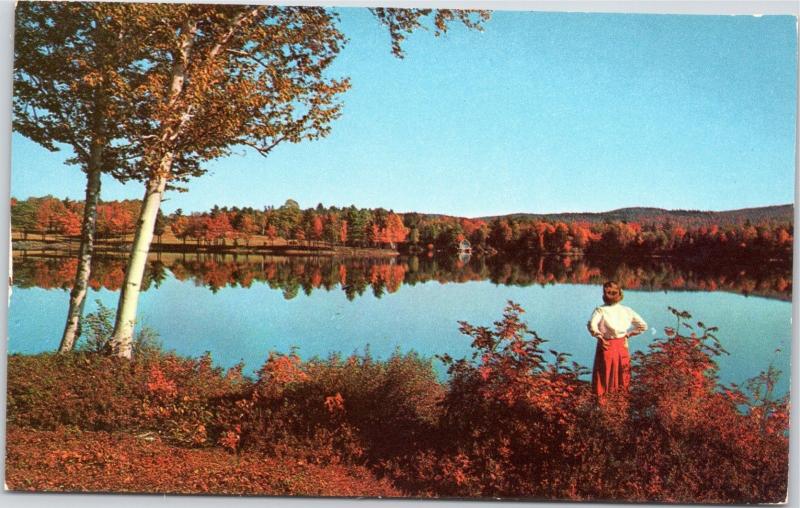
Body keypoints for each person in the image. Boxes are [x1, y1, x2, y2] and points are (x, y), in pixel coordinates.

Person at [587, 281, 647, 396]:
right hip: (622, 345)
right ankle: (620, 403)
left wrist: (599, 336)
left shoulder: (600, 310)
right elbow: (643, 326)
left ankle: (602, 404)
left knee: (603, 376)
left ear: (604, 296)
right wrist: (628, 334)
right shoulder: (627, 310)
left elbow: (592, 325)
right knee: (622, 375)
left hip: (606, 345)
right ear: (619, 295)